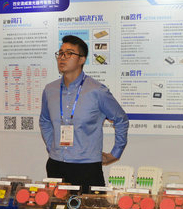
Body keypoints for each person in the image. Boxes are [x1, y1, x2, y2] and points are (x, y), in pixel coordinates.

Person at [39, 35, 129, 193]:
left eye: (69, 53)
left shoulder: (97, 91)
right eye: (60, 53)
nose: (62, 57)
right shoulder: (50, 90)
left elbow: (121, 119)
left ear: (82, 59)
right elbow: (45, 120)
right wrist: (52, 146)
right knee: (56, 208)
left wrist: (115, 153)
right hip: (56, 165)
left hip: (87, 168)